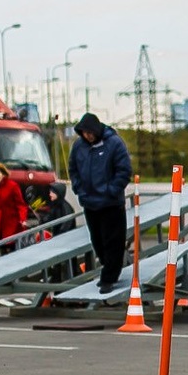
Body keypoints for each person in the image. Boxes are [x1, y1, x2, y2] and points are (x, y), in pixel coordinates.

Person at [68, 112, 132, 292]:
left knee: (113, 241)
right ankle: (108, 269)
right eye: (84, 133)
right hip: (90, 202)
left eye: (90, 133)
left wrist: (111, 191)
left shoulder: (114, 144)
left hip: (110, 203)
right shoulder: (79, 146)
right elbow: (73, 169)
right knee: (97, 241)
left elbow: (124, 171)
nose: (87, 136)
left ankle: (109, 277)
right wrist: (79, 189)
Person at [0, 161, 28, 255]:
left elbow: (20, 205)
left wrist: (22, 219)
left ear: (3, 174)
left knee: (12, 250)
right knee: (2, 250)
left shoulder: (12, 186)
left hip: (12, 225)